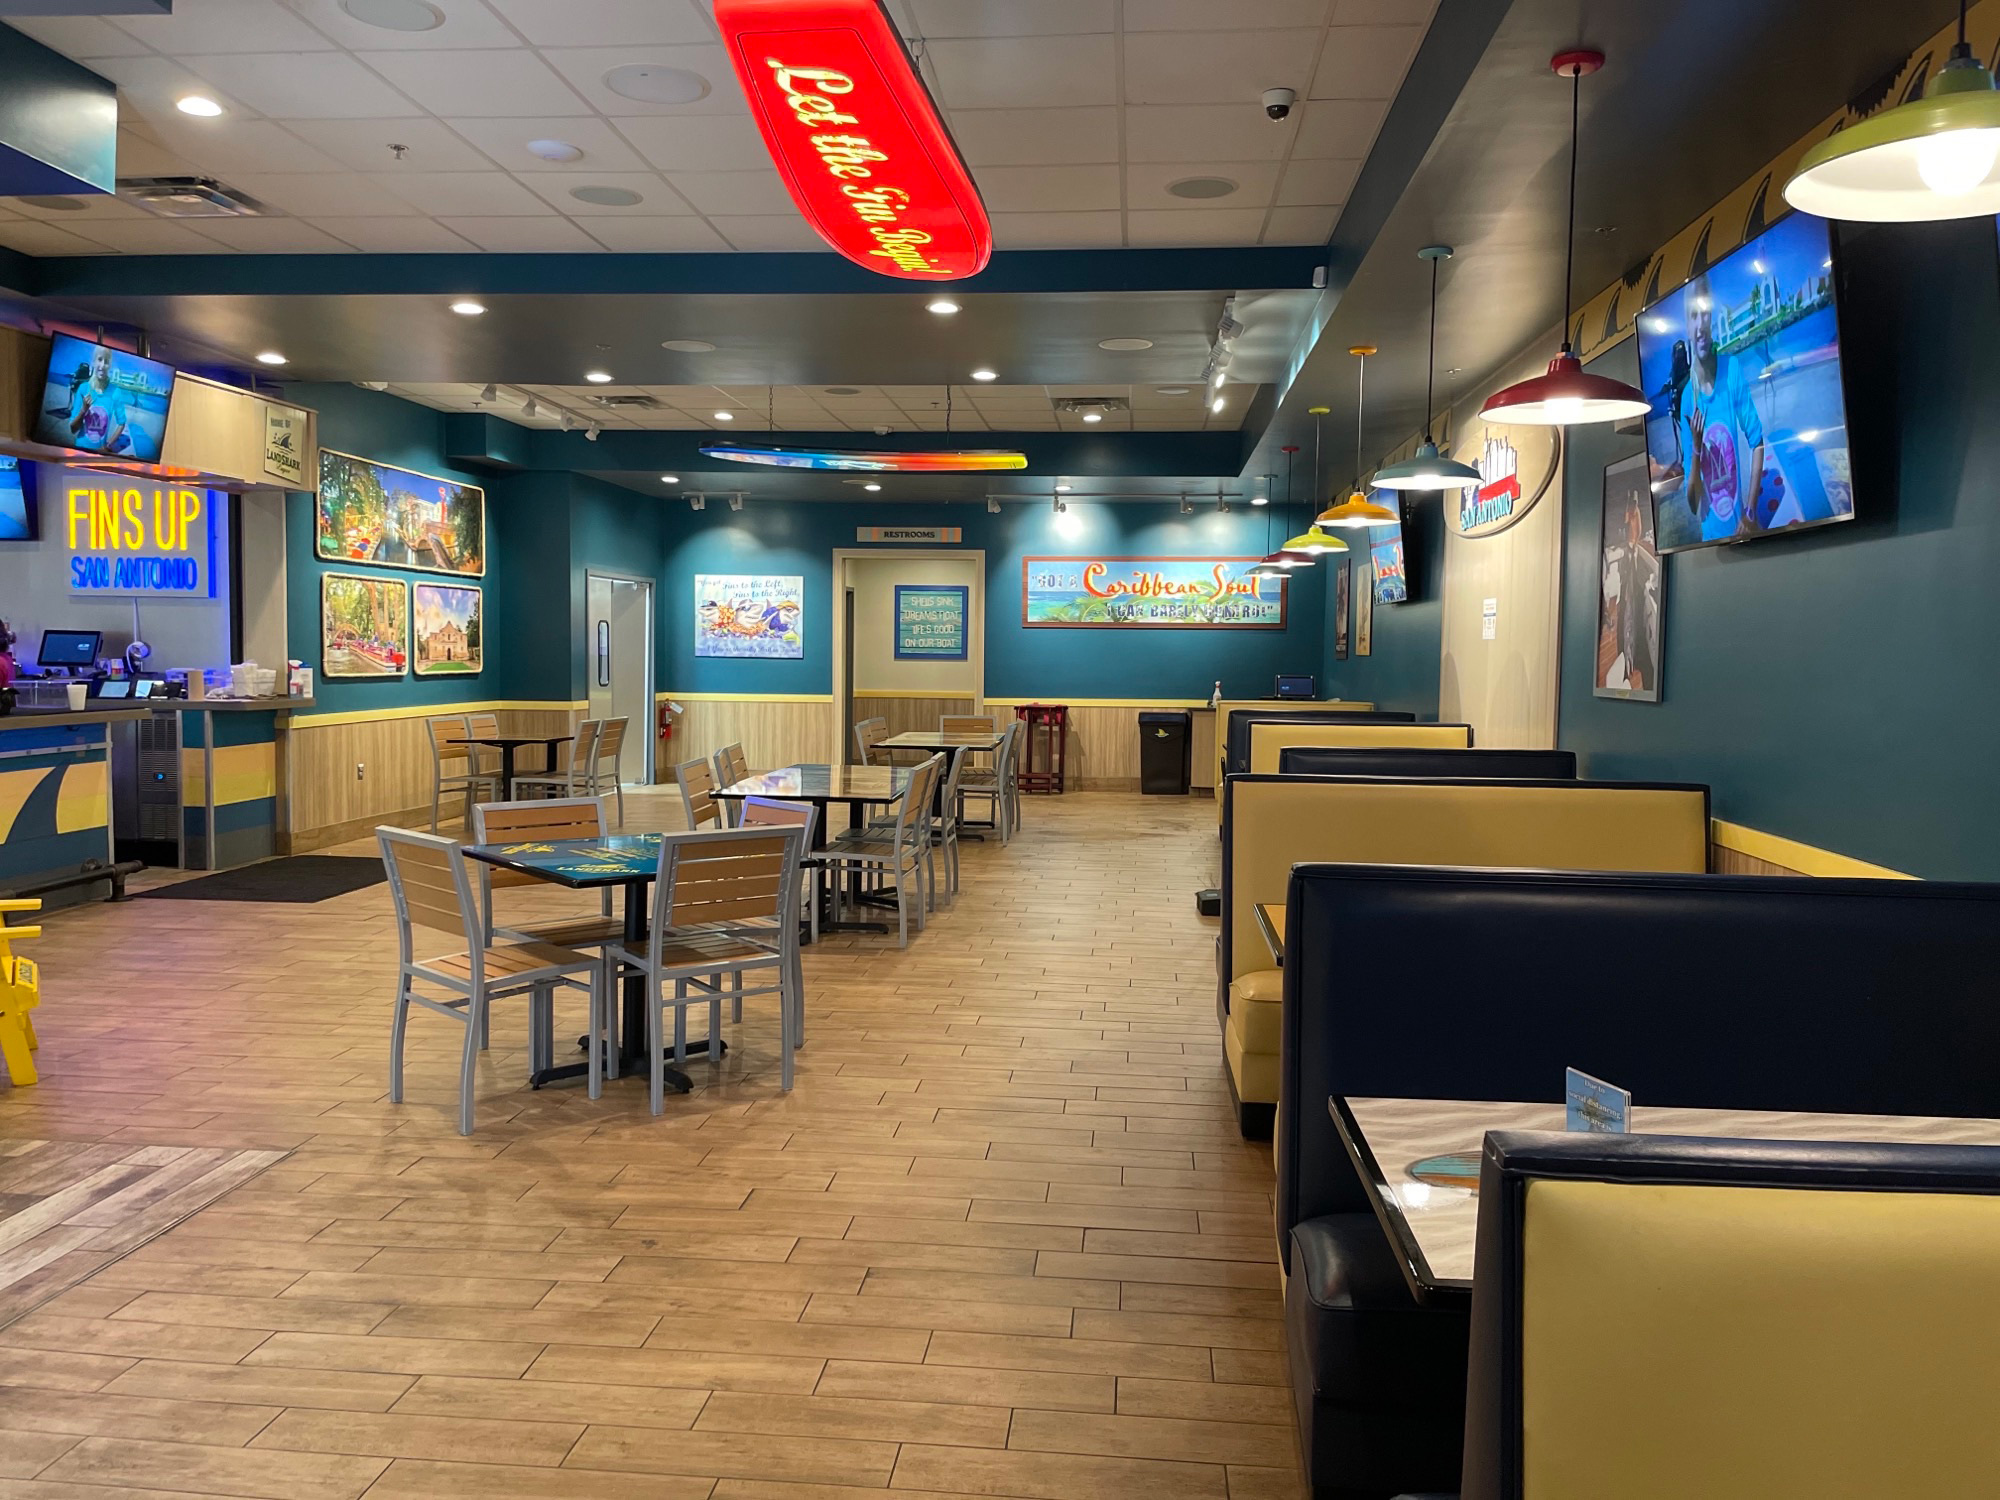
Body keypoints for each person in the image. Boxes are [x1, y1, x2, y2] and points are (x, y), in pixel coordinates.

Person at [1678, 274, 1765, 543]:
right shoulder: (1686, 399)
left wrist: (1750, 513)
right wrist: (1695, 447)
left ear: (1712, 317)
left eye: (1704, 314)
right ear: (1687, 326)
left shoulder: (1733, 369)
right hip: (1713, 543)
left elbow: (1758, 442)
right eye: (1694, 316)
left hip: (1745, 532)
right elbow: (1693, 503)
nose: (1700, 325)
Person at [64, 346, 133, 456]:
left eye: (106, 362)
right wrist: (83, 410)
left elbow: (121, 423)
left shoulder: (116, 392)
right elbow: (73, 429)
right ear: (94, 362)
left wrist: (107, 446)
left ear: (109, 365)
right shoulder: (83, 388)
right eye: (100, 359)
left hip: (99, 454)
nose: (102, 366)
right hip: (79, 451)